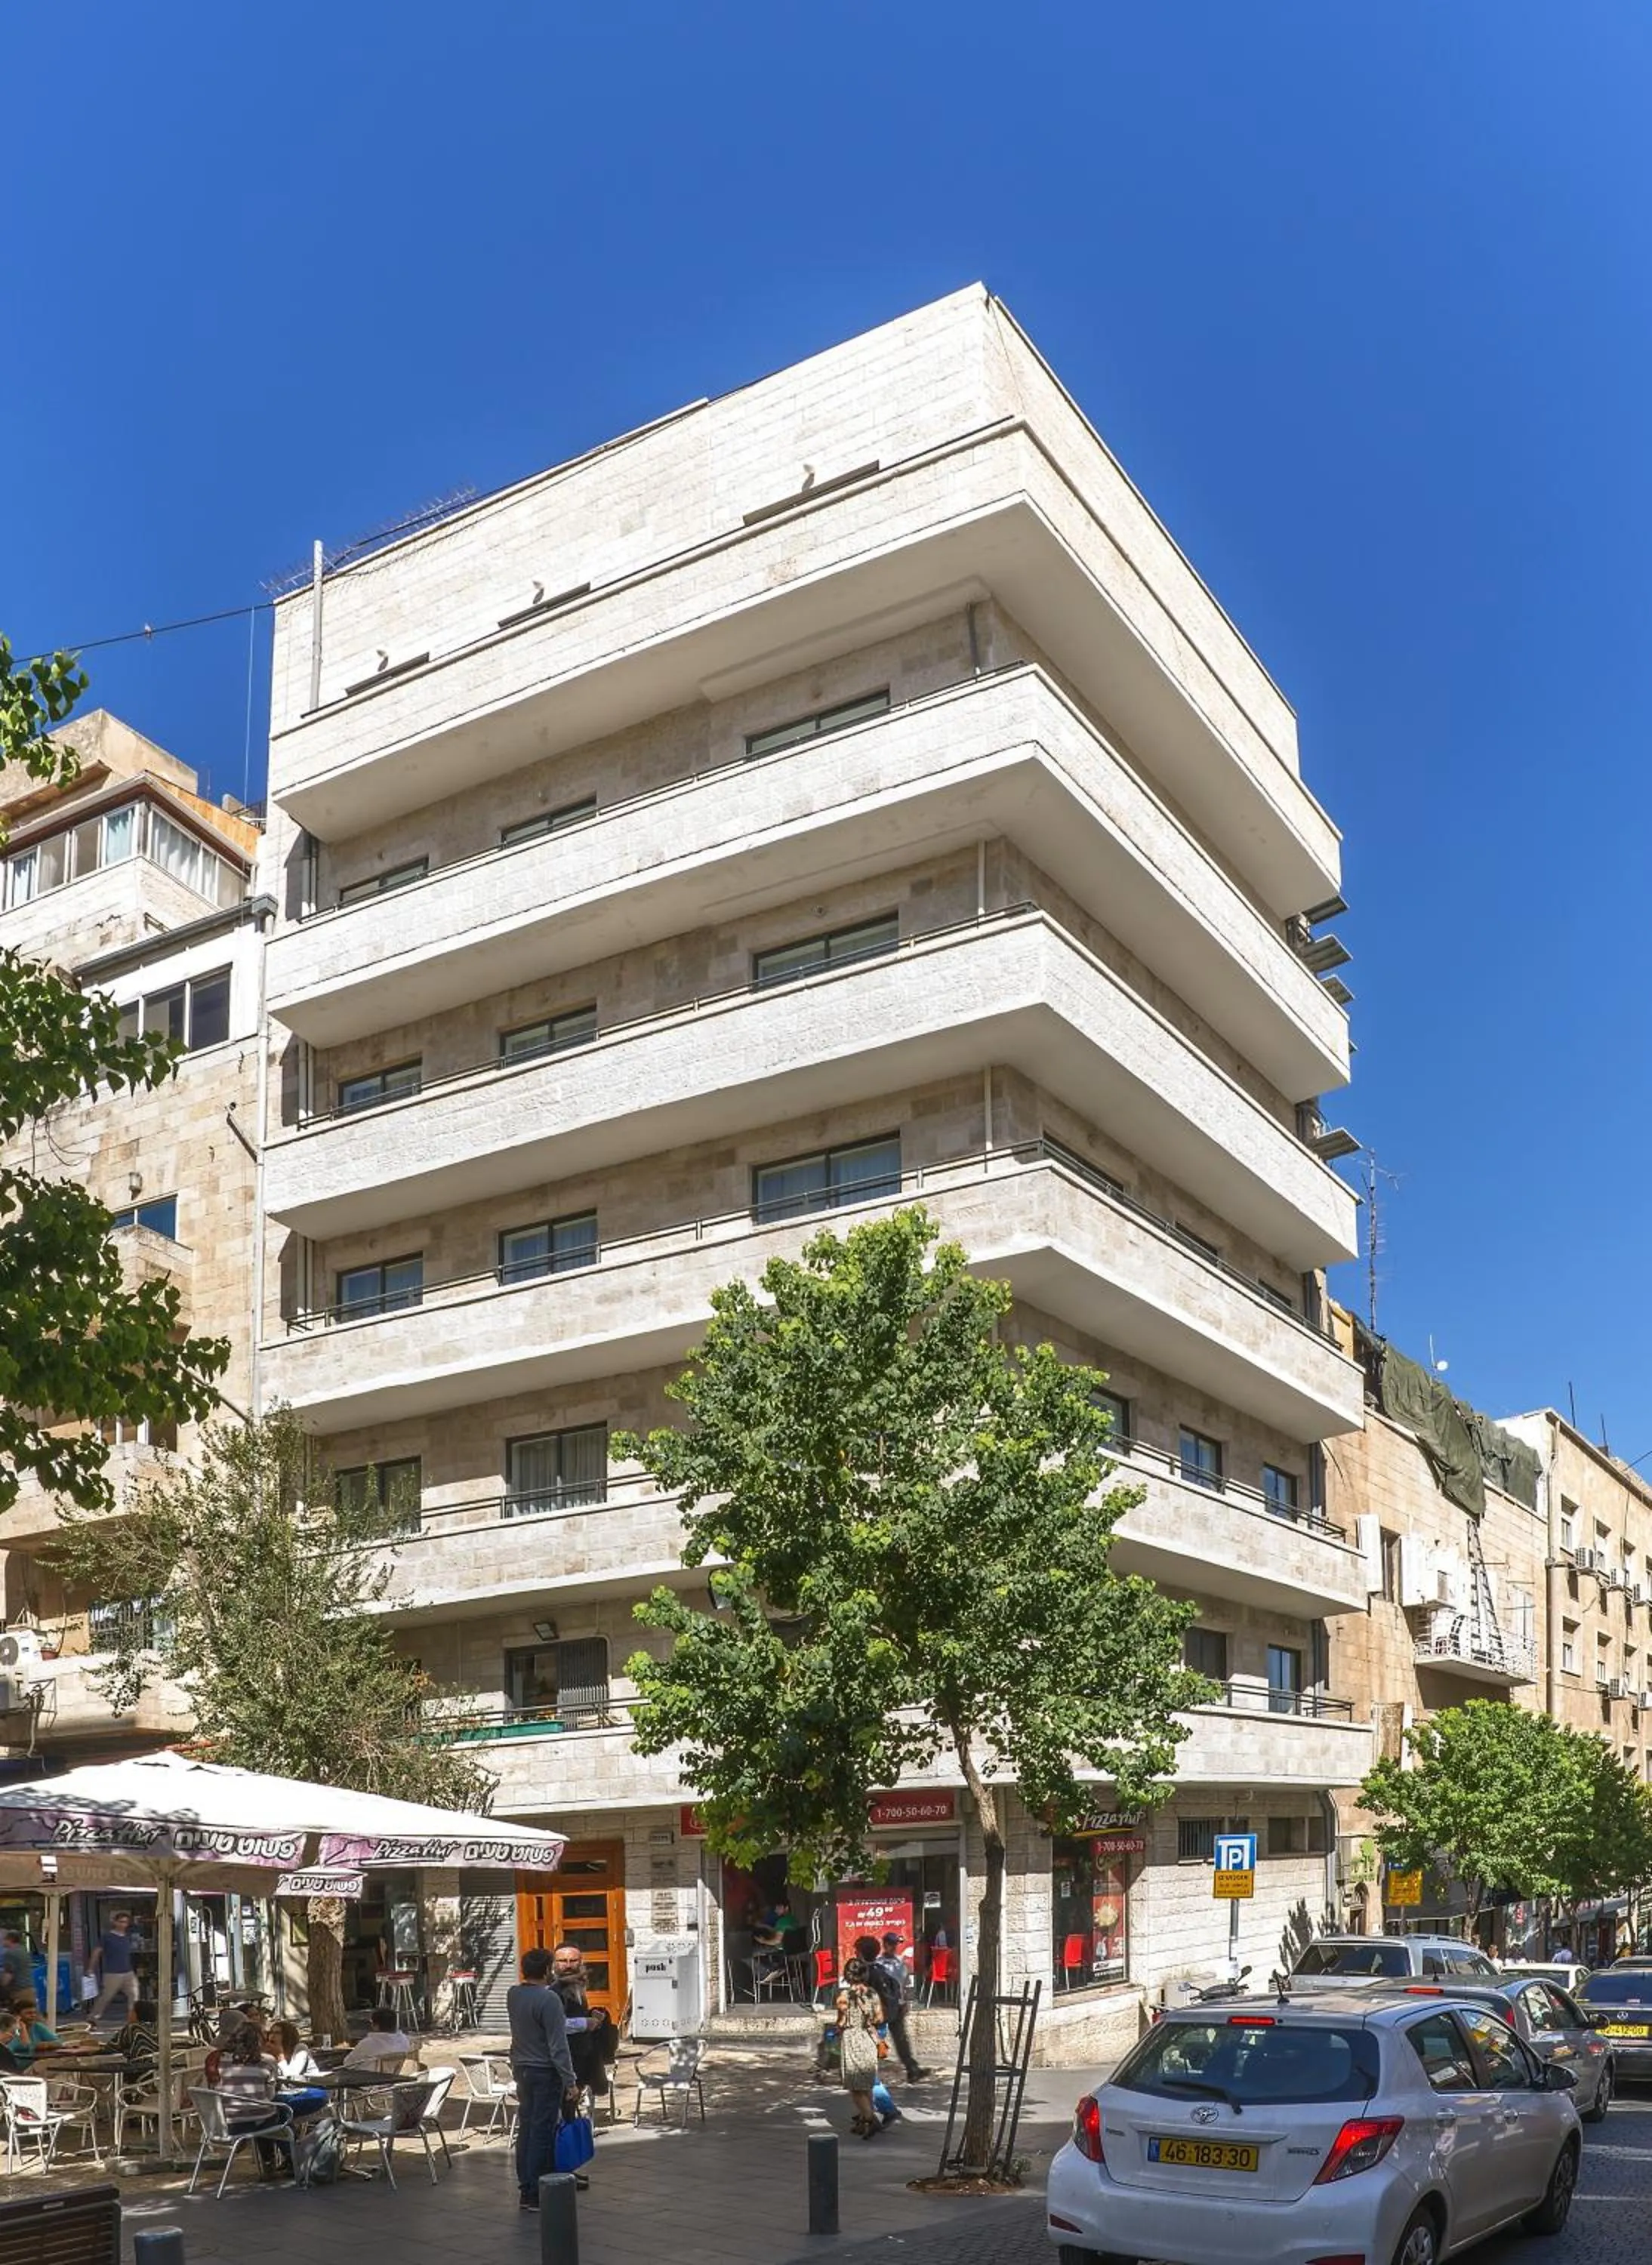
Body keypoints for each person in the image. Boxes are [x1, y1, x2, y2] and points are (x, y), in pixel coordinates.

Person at [508, 1947, 580, 2209]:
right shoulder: (549, 2000)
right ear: (548, 1969)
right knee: (542, 2133)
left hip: (522, 2069)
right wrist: (570, 2081)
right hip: (545, 2072)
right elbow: (558, 2045)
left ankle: (526, 2189)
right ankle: (538, 2191)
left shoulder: (514, 1994)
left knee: (526, 2129)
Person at [216, 2020, 291, 2177]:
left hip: (228, 2123)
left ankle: (271, 2163)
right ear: (259, 2040)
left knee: (264, 2114)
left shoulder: (222, 2059)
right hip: (257, 2120)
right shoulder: (266, 2061)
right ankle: (283, 2159)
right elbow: (270, 2096)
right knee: (277, 2113)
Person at [865, 1931, 930, 2084]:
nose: (894, 1947)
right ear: (885, 1945)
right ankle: (865, 2069)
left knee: (901, 2039)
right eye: (891, 1944)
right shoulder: (879, 1964)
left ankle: (912, 2070)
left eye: (895, 1944)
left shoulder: (900, 1964)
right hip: (881, 2006)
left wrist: (906, 2002)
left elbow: (905, 1986)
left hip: (897, 2006)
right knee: (872, 2037)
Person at [834, 1957, 886, 2138]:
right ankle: (864, 2122)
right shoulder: (872, 1994)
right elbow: (879, 2019)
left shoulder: (844, 1996)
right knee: (866, 2085)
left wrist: (840, 2026)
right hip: (869, 2039)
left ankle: (871, 2119)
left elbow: (841, 2022)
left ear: (847, 1975)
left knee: (855, 2088)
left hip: (852, 2040)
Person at [334, 2004, 411, 2085]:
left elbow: (348, 2063)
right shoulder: (404, 2041)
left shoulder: (368, 2044)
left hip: (367, 2084)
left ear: (376, 2026)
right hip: (391, 2083)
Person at [88, 1910, 140, 2025]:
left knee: (134, 1994)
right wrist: (91, 1968)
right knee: (106, 1997)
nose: (123, 1925)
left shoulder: (127, 1936)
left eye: (126, 1922)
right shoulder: (107, 1937)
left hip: (128, 1973)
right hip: (112, 1973)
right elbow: (97, 1952)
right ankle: (92, 2018)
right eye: (121, 1922)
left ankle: (133, 2019)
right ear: (115, 1922)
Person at [5, 1991, 60, 2067]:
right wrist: (22, 2028)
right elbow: (24, 2046)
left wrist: (44, 2045)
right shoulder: (10, 2030)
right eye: (29, 2013)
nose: (33, 2015)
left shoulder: (38, 2027)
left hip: (34, 2065)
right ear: (17, 2015)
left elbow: (59, 2042)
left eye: (35, 2013)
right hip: (15, 2068)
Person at [270, 2019, 325, 2083]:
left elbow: (292, 2075)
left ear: (287, 2035)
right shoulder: (272, 2050)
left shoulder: (301, 2048)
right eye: (271, 2032)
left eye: (277, 2033)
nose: (272, 2036)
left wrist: (280, 2056)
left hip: (310, 2085)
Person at [0, 1930, 27, 2001]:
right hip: (27, 1990)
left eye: (5, 1939)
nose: (3, 1942)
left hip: (18, 1992)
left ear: (10, 1939)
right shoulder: (22, 1951)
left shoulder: (10, 1954)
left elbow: (7, 1977)